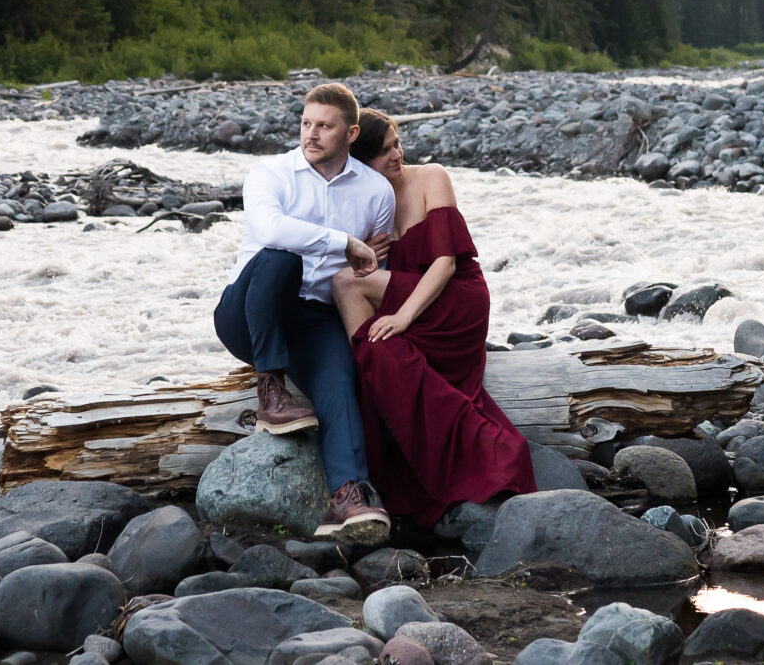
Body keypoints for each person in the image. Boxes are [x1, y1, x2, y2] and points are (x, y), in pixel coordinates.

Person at [331, 109, 537, 525]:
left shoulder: (432, 177)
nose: (397, 155)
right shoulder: (369, 203)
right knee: (350, 282)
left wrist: (404, 317)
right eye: (385, 151)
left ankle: (370, 375)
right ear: (361, 163)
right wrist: (369, 250)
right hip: (415, 299)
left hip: (456, 301)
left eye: (397, 144)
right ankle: (377, 383)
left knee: (345, 285)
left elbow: (444, 263)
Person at [212, 82, 396, 543]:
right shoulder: (270, 174)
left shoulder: (376, 192)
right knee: (280, 256)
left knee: (339, 384)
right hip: (250, 313)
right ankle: (271, 388)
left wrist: (368, 259)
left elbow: (373, 267)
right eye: (306, 124)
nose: (310, 135)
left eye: (324, 127)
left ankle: (348, 497)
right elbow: (272, 230)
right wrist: (345, 242)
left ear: (351, 133)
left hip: (315, 319)